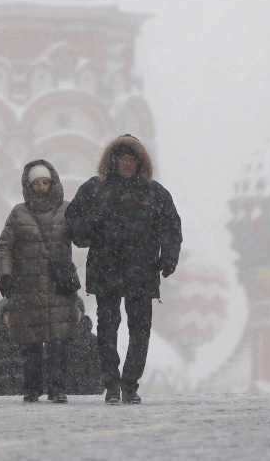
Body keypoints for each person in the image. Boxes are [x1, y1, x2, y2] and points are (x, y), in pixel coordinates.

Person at [65, 134, 182, 404]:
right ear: (113, 161)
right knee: (108, 328)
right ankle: (111, 383)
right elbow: (74, 223)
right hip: (107, 270)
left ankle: (130, 384)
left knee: (140, 330)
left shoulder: (154, 193)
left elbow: (171, 228)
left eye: (132, 159)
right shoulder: (95, 189)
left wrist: (169, 257)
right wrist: (91, 228)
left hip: (142, 271)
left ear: (140, 163)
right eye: (123, 159)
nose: (127, 164)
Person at [0, 160, 78, 402]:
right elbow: (5, 246)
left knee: (58, 340)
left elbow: (82, 236)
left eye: (46, 182)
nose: (42, 187)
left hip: (58, 284)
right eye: (37, 183)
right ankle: (32, 388)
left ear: (52, 183)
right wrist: (6, 275)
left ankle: (57, 388)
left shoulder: (67, 210)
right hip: (27, 285)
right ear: (29, 185)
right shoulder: (18, 213)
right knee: (30, 340)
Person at [65, 297, 100, 395]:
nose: (73, 314)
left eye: (76, 310)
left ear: (82, 313)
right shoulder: (57, 340)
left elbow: (98, 370)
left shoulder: (93, 341)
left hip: (88, 394)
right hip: (62, 394)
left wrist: (92, 390)